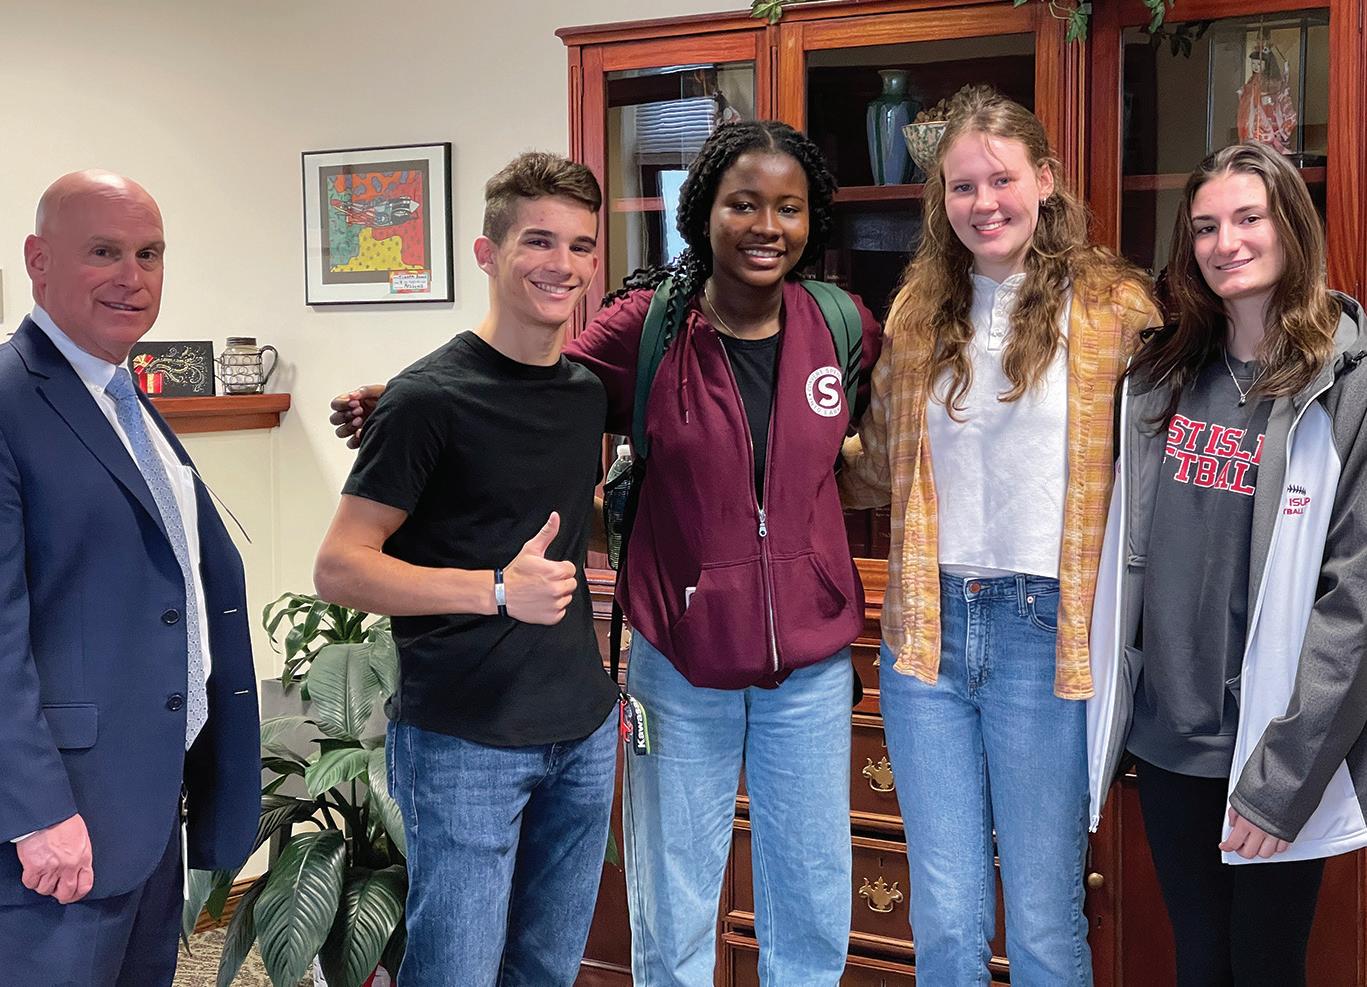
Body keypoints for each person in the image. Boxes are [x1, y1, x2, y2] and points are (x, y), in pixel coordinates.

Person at [332, 120, 882, 986]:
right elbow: (520, 376)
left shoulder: (843, 324)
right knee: (673, 905)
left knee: (811, 904)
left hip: (806, 665)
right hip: (680, 655)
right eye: (742, 204)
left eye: (789, 207)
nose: (766, 225)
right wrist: (397, 394)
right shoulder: (648, 327)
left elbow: (876, 438)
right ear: (701, 214)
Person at [839, 89, 1160, 986]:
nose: (984, 203)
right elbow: (880, 467)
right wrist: (769, 461)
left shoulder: (1115, 310)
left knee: (1045, 918)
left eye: (1001, 180)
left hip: (1045, 636)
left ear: (1044, 180)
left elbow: (1158, 473)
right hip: (926, 636)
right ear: (940, 198)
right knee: (945, 916)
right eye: (961, 186)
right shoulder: (915, 314)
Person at [313, 152, 621, 987]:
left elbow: (535, 509)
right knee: (454, 972)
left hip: (581, 729)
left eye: (580, 246)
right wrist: (495, 590)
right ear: (487, 254)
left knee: (545, 971)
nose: (561, 264)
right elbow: (339, 567)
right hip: (462, 739)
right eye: (537, 241)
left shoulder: (586, 394)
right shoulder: (426, 398)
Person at [1087, 141, 1367, 986]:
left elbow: (1353, 601)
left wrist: (1282, 780)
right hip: (1169, 743)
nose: (1225, 243)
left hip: (1274, 746)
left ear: (1291, 227)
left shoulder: (1344, 383)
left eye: (1248, 218)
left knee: (1265, 967)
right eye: (1205, 226)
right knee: (1200, 961)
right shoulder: (1157, 374)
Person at [0, 171, 260, 984]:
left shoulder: (122, 399)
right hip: (56, 831)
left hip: (143, 812)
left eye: (149, 254)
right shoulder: (10, 398)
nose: (133, 277)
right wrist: (37, 813)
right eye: (104, 252)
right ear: (38, 260)